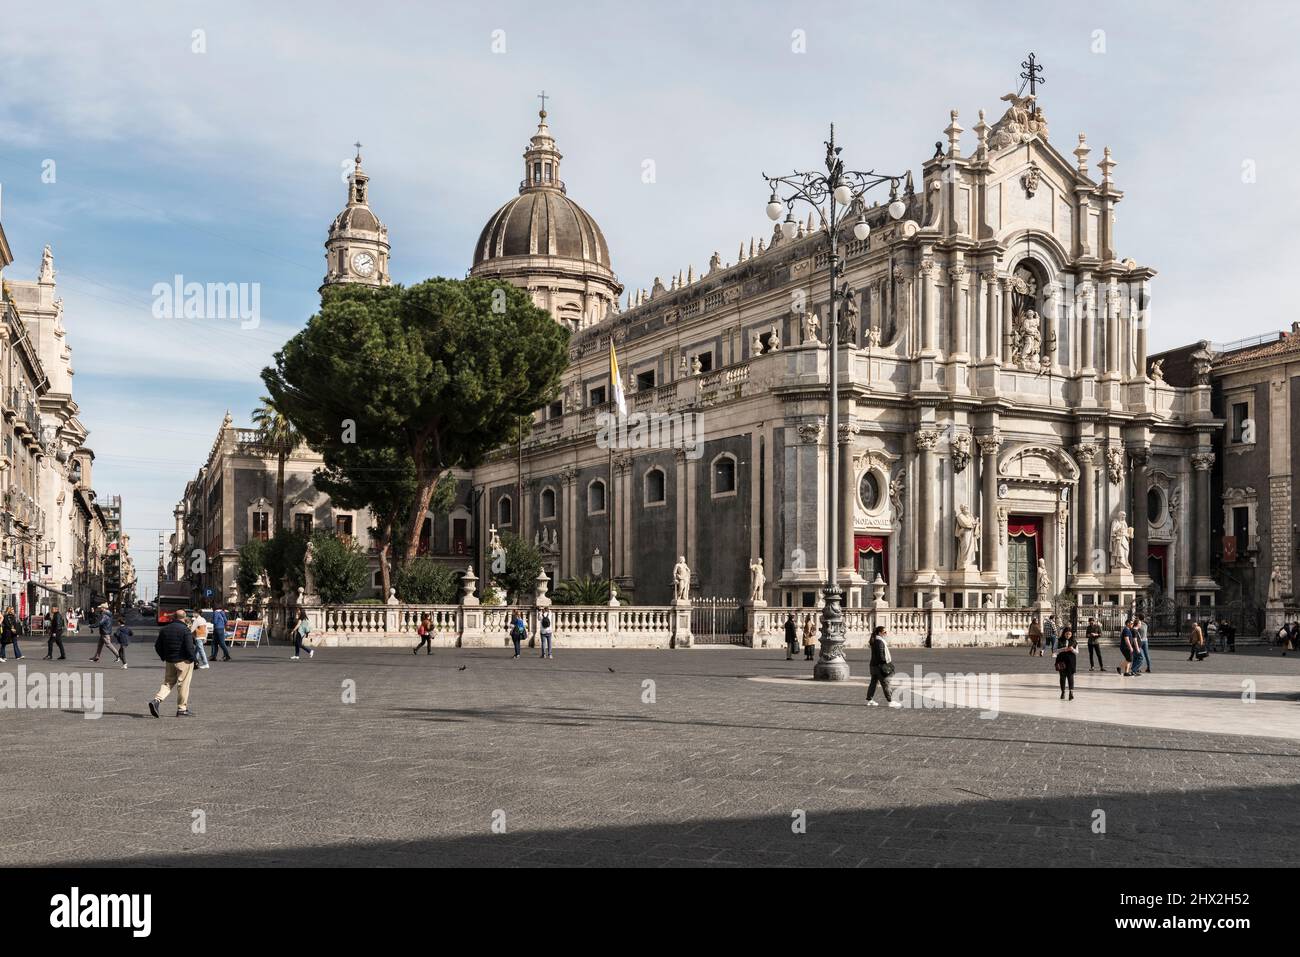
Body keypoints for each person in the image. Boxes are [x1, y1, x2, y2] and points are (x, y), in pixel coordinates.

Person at [148, 609, 197, 718]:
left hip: (170, 661)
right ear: (184, 618)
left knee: (168, 683)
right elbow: (189, 647)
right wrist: (194, 660)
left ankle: (156, 700)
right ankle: (182, 709)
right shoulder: (185, 630)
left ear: (174, 617)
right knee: (183, 685)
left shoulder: (165, 629)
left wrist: (164, 657)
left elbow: (157, 646)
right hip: (184, 661)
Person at [866, 625, 900, 707]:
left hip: (873, 666)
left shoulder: (874, 640)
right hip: (879, 666)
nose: (885, 633)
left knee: (873, 683)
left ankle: (870, 700)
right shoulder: (880, 642)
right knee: (886, 683)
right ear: (879, 633)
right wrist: (887, 664)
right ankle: (890, 701)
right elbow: (881, 656)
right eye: (884, 632)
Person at [1055, 632, 1078, 700]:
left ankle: (1071, 692)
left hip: (1071, 661)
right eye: (1066, 634)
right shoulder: (1059, 640)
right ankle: (1063, 692)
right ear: (1064, 634)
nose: (1068, 635)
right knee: (1062, 676)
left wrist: (1072, 649)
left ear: (1071, 635)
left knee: (1070, 676)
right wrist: (1063, 649)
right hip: (1061, 660)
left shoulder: (1074, 641)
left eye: (1069, 634)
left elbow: (1077, 652)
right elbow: (1054, 650)